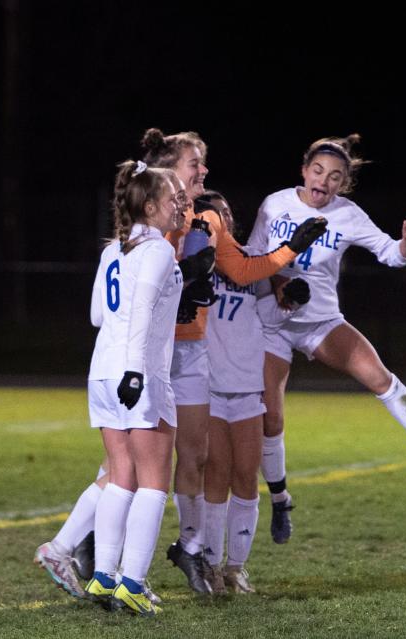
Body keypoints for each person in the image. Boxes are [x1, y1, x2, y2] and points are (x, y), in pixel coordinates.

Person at [248, 133, 406, 545]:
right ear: (303, 170)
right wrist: (278, 285)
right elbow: (254, 259)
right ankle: (280, 499)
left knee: (379, 376)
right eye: (318, 171)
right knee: (271, 418)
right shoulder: (275, 204)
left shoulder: (347, 214)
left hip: (320, 322)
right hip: (271, 324)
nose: (324, 181)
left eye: (334, 177)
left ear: (342, 184)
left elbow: (390, 254)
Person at [140, 128, 327, 592]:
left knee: (223, 469)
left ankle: (218, 560)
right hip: (178, 368)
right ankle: (119, 551)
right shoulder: (173, 236)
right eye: (195, 165)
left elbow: (263, 280)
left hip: (225, 379)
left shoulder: (231, 251)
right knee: (175, 469)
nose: (215, 217)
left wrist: (290, 279)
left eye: (222, 214)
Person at [78, 160, 185, 616]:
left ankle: (104, 577)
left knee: (121, 475)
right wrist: (138, 371)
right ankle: (134, 584)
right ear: (150, 205)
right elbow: (140, 308)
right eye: (173, 198)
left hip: (102, 371)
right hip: (135, 372)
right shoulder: (158, 249)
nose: (180, 205)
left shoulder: (112, 251)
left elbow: (98, 317)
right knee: (155, 482)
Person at [198, 191, 288, 594]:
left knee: (246, 475)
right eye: (216, 214)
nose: (226, 218)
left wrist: (291, 304)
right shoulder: (198, 259)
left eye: (229, 211)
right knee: (216, 473)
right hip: (210, 384)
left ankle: (235, 567)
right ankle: (212, 567)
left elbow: (268, 315)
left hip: (249, 384)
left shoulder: (252, 261)